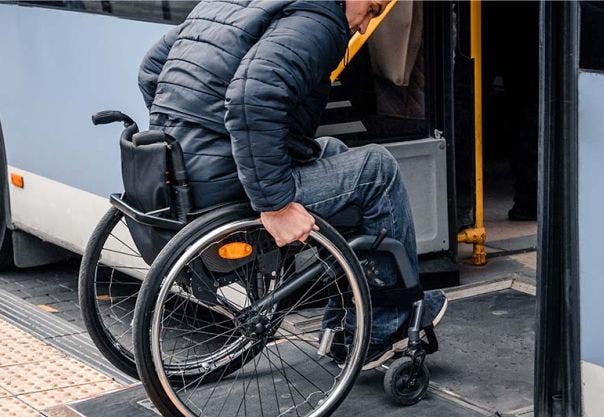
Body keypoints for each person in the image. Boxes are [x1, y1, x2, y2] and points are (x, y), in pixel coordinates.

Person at [138, 0, 447, 369]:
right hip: (226, 180)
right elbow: (250, 98)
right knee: (378, 170)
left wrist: (191, 133)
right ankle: (385, 326)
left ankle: (347, 312)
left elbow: (151, 69)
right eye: (372, 9)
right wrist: (276, 205)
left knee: (333, 152)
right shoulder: (321, 21)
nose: (365, 27)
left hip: (186, 169)